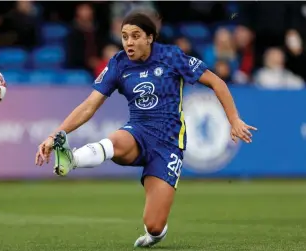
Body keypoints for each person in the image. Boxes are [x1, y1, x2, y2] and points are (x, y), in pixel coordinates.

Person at [35, 10, 257, 248]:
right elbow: (89, 105)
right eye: (124, 36)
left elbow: (216, 81)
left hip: (168, 144)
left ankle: (156, 233)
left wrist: (234, 119)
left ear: (149, 37)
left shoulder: (171, 56)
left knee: (153, 224)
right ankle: (71, 159)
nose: (129, 42)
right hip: (137, 132)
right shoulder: (119, 63)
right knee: (116, 140)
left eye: (135, 36)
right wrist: (55, 135)